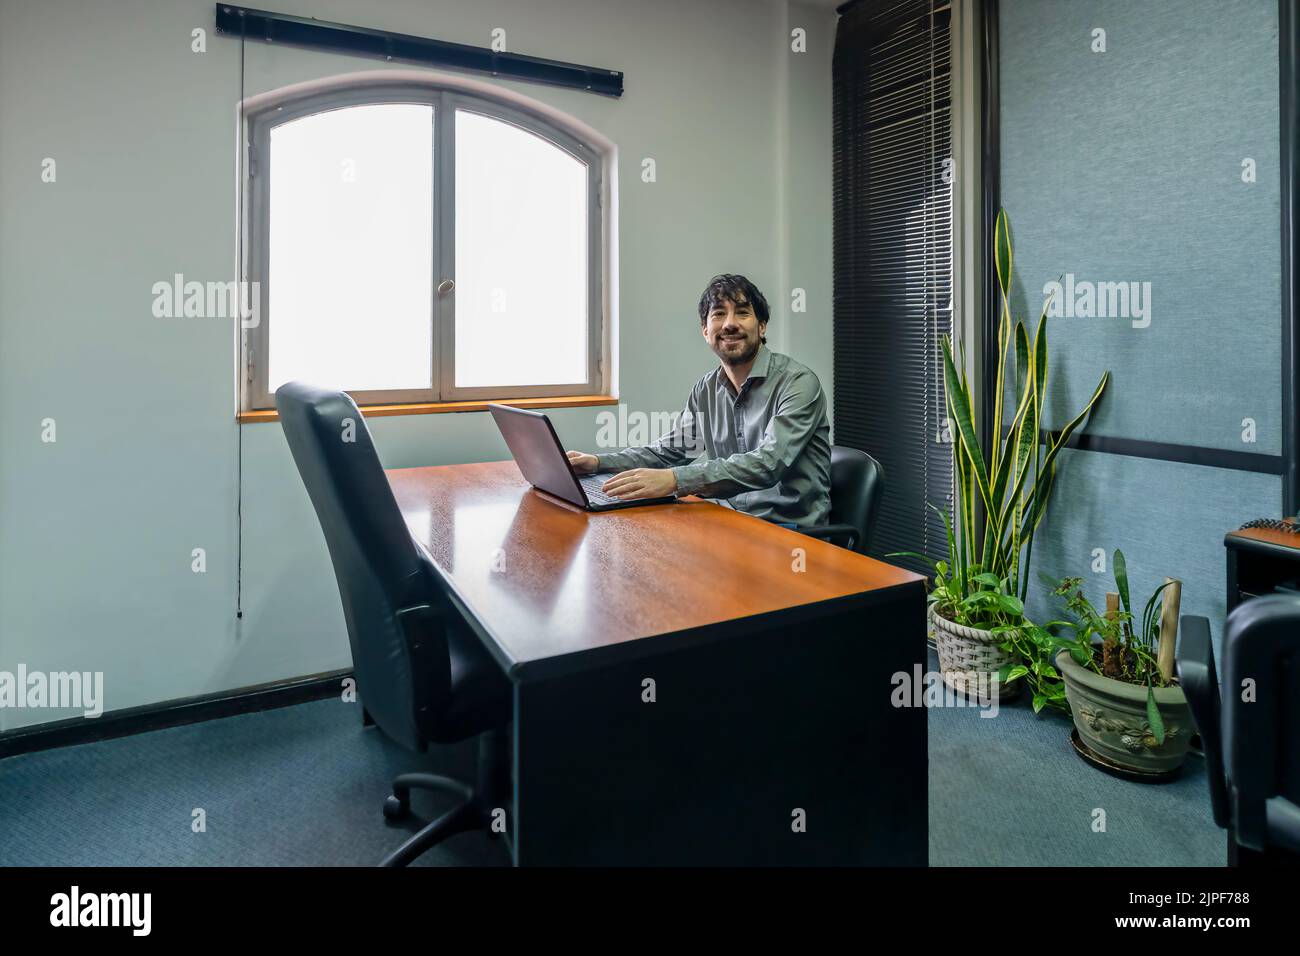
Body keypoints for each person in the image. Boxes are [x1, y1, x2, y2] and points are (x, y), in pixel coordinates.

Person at [566, 274, 831, 528]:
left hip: (790, 533)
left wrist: (674, 480)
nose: (729, 323)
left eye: (742, 312)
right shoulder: (706, 389)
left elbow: (768, 463)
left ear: (762, 327)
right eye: (718, 314)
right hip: (732, 522)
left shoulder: (798, 383)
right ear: (705, 331)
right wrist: (598, 463)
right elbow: (671, 452)